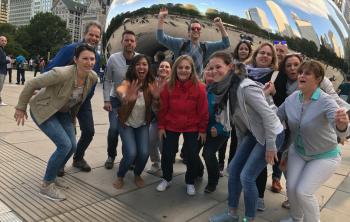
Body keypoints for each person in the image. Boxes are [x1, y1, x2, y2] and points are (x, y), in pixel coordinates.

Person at [14, 44, 98, 201]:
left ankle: (53, 174)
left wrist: (72, 121)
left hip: (64, 112)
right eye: (85, 58)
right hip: (44, 109)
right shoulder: (62, 73)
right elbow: (31, 84)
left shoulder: (92, 77)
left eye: (92, 59)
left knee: (72, 145)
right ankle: (46, 186)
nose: (89, 62)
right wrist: (21, 107)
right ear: (75, 60)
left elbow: (77, 102)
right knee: (64, 145)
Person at [209, 52, 284, 222]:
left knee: (247, 176)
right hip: (254, 133)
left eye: (218, 67)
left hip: (272, 133)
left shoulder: (245, 87)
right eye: (211, 68)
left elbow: (270, 117)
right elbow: (239, 124)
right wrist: (242, 149)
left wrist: (271, 146)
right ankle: (231, 214)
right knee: (234, 169)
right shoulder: (226, 90)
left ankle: (249, 219)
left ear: (230, 67)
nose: (214, 71)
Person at [277, 60, 349, 222]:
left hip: (325, 156)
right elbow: (276, 116)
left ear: (318, 79)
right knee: (292, 187)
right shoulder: (293, 98)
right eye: (301, 72)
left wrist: (342, 124)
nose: (301, 75)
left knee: (303, 191)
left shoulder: (326, 101)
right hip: (298, 152)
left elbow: (342, 131)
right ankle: (296, 218)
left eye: (307, 73)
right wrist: (265, 98)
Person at [44, 21, 102, 174]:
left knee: (89, 131)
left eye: (97, 36)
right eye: (91, 34)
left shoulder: (98, 57)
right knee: (69, 136)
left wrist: (88, 96)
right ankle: (60, 163)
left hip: (83, 101)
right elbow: (50, 69)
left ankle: (78, 158)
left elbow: (94, 80)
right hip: (65, 99)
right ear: (84, 34)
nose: (94, 38)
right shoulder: (70, 49)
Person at [156, 55, 209, 196]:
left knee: (191, 155)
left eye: (187, 67)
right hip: (171, 124)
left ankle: (190, 181)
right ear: (175, 69)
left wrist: (202, 130)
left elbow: (203, 111)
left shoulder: (200, 88)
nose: (183, 70)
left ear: (192, 70)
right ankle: (166, 178)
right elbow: (163, 108)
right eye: (180, 67)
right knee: (167, 154)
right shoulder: (168, 86)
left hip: (192, 126)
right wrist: (161, 126)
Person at [245, 42, 281, 211]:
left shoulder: (275, 76)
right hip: (245, 125)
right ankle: (244, 192)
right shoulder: (245, 72)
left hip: (264, 127)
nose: (265, 56)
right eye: (262, 53)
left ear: (272, 59)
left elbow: (282, 105)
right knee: (239, 162)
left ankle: (259, 196)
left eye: (269, 54)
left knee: (258, 166)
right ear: (256, 54)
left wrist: (274, 93)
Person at [112, 55, 156, 189]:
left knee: (144, 153)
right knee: (131, 153)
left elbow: (158, 104)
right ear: (133, 67)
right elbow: (120, 91)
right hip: (126, 123)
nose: (141, 67)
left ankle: (137, 174)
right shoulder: (127, 83)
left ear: (148, 68)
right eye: (138, 64)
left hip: (142, 124)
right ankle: (120, 175)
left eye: (144, 64)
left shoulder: (151, 85)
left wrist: (159, 99)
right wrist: (127, 97)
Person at [156, 7, 230, 78]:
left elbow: (226, 44)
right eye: (193, 28)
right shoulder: (180, 43)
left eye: (198, 28)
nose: (196, 30)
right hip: (178, 81)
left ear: (200, 32)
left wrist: (221, 26)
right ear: (188, 33)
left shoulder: (206, 46)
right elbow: (161, 38)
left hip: (195, 84)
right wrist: (161, 18)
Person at [103, 30, 138, 169]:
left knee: (128, 130)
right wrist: (106, 100)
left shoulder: (140, 59)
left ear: (135, 43)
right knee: (113, 129)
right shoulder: (113, 58)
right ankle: (111, 155)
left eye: (132, 40)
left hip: (132, 101)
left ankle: (127, 158)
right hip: (115, 100)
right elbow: (107, 80)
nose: (129, 43)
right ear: (122, 42)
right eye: (126, 40)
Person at [218, 38, 253, 176]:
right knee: (224, 135)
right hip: (228, 103)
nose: (243, 51)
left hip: (241, 107)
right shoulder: (230, 64)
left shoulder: (252, 67)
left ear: (249, 51)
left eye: (246, 49)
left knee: (236, 139)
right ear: (237, 50)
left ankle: (231, 165)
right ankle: (220, 163)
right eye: (241, 48)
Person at [201, 61, 230, 193]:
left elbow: (228, 115)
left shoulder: (224, 91)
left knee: (208, 153)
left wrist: (217, 127)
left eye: (215, 69)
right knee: (190, 152)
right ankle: (197, 170)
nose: (211, 72)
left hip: (220, 130)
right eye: (208, 69)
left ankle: (213, 181)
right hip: (202, 129)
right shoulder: (201, 89)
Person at [147, 59, 172, 174]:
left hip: (168, 120)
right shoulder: (153, 83)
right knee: (151, 140)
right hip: (155, 119)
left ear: (171, 71)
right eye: (162, 66)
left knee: (163, 144)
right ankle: (155, 163)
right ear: (157, 70)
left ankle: (166, 164)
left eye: (167, 67)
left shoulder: (173, 84)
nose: (164, 69)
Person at [0, 36, 8, 106]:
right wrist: (9, 61)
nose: (4, 42)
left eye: (5, 41)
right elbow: (2, 61)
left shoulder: (2, 50)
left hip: (2, 71)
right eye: (2, 40)